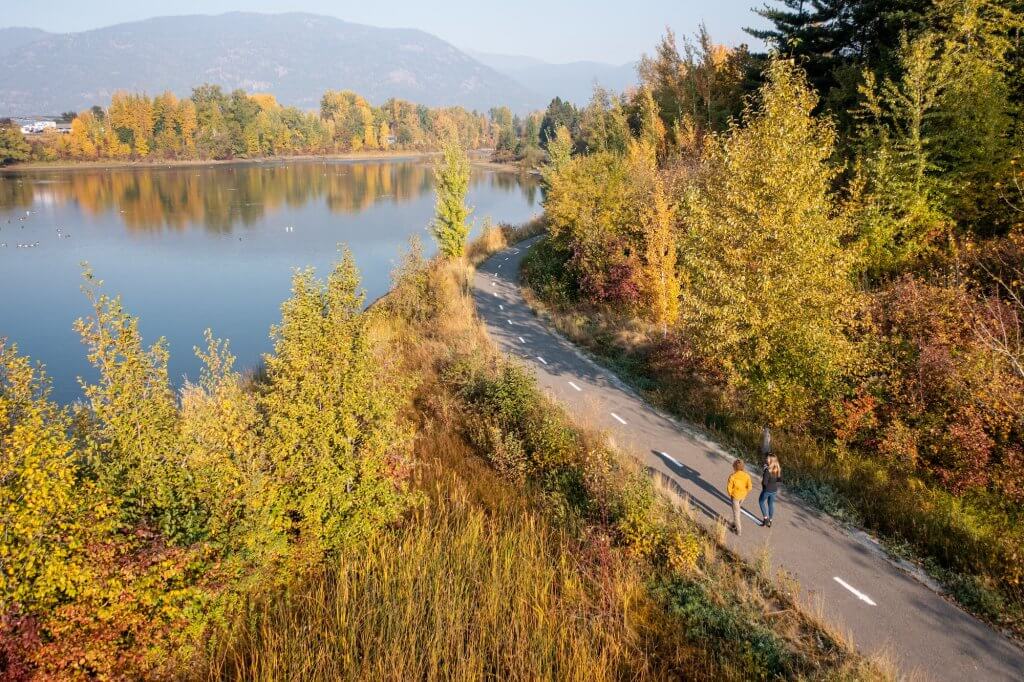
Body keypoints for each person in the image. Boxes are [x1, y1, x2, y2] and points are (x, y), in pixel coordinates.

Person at [726, 459, 752, 535]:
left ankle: (738, 530)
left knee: (736, 513)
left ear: (734, 467)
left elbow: (729, 488)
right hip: (743, 496)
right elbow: (750, 487)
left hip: (735, 497)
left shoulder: (732, 476)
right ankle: (734, 523)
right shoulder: (747, 476)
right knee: (737, 510)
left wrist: (731, 494)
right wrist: (745, 491)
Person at [759, 455, 783, 527]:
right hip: (774, 490)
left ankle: (765, 519)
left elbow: (764, 482)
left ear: (771, 461)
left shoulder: (767, 470)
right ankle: (770, 520)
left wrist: (764, 488)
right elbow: (779, 480)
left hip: (767, 490)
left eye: (768, 459)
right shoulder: (777, 469)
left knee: (761, 501)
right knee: (770, 504)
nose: (766, 459)